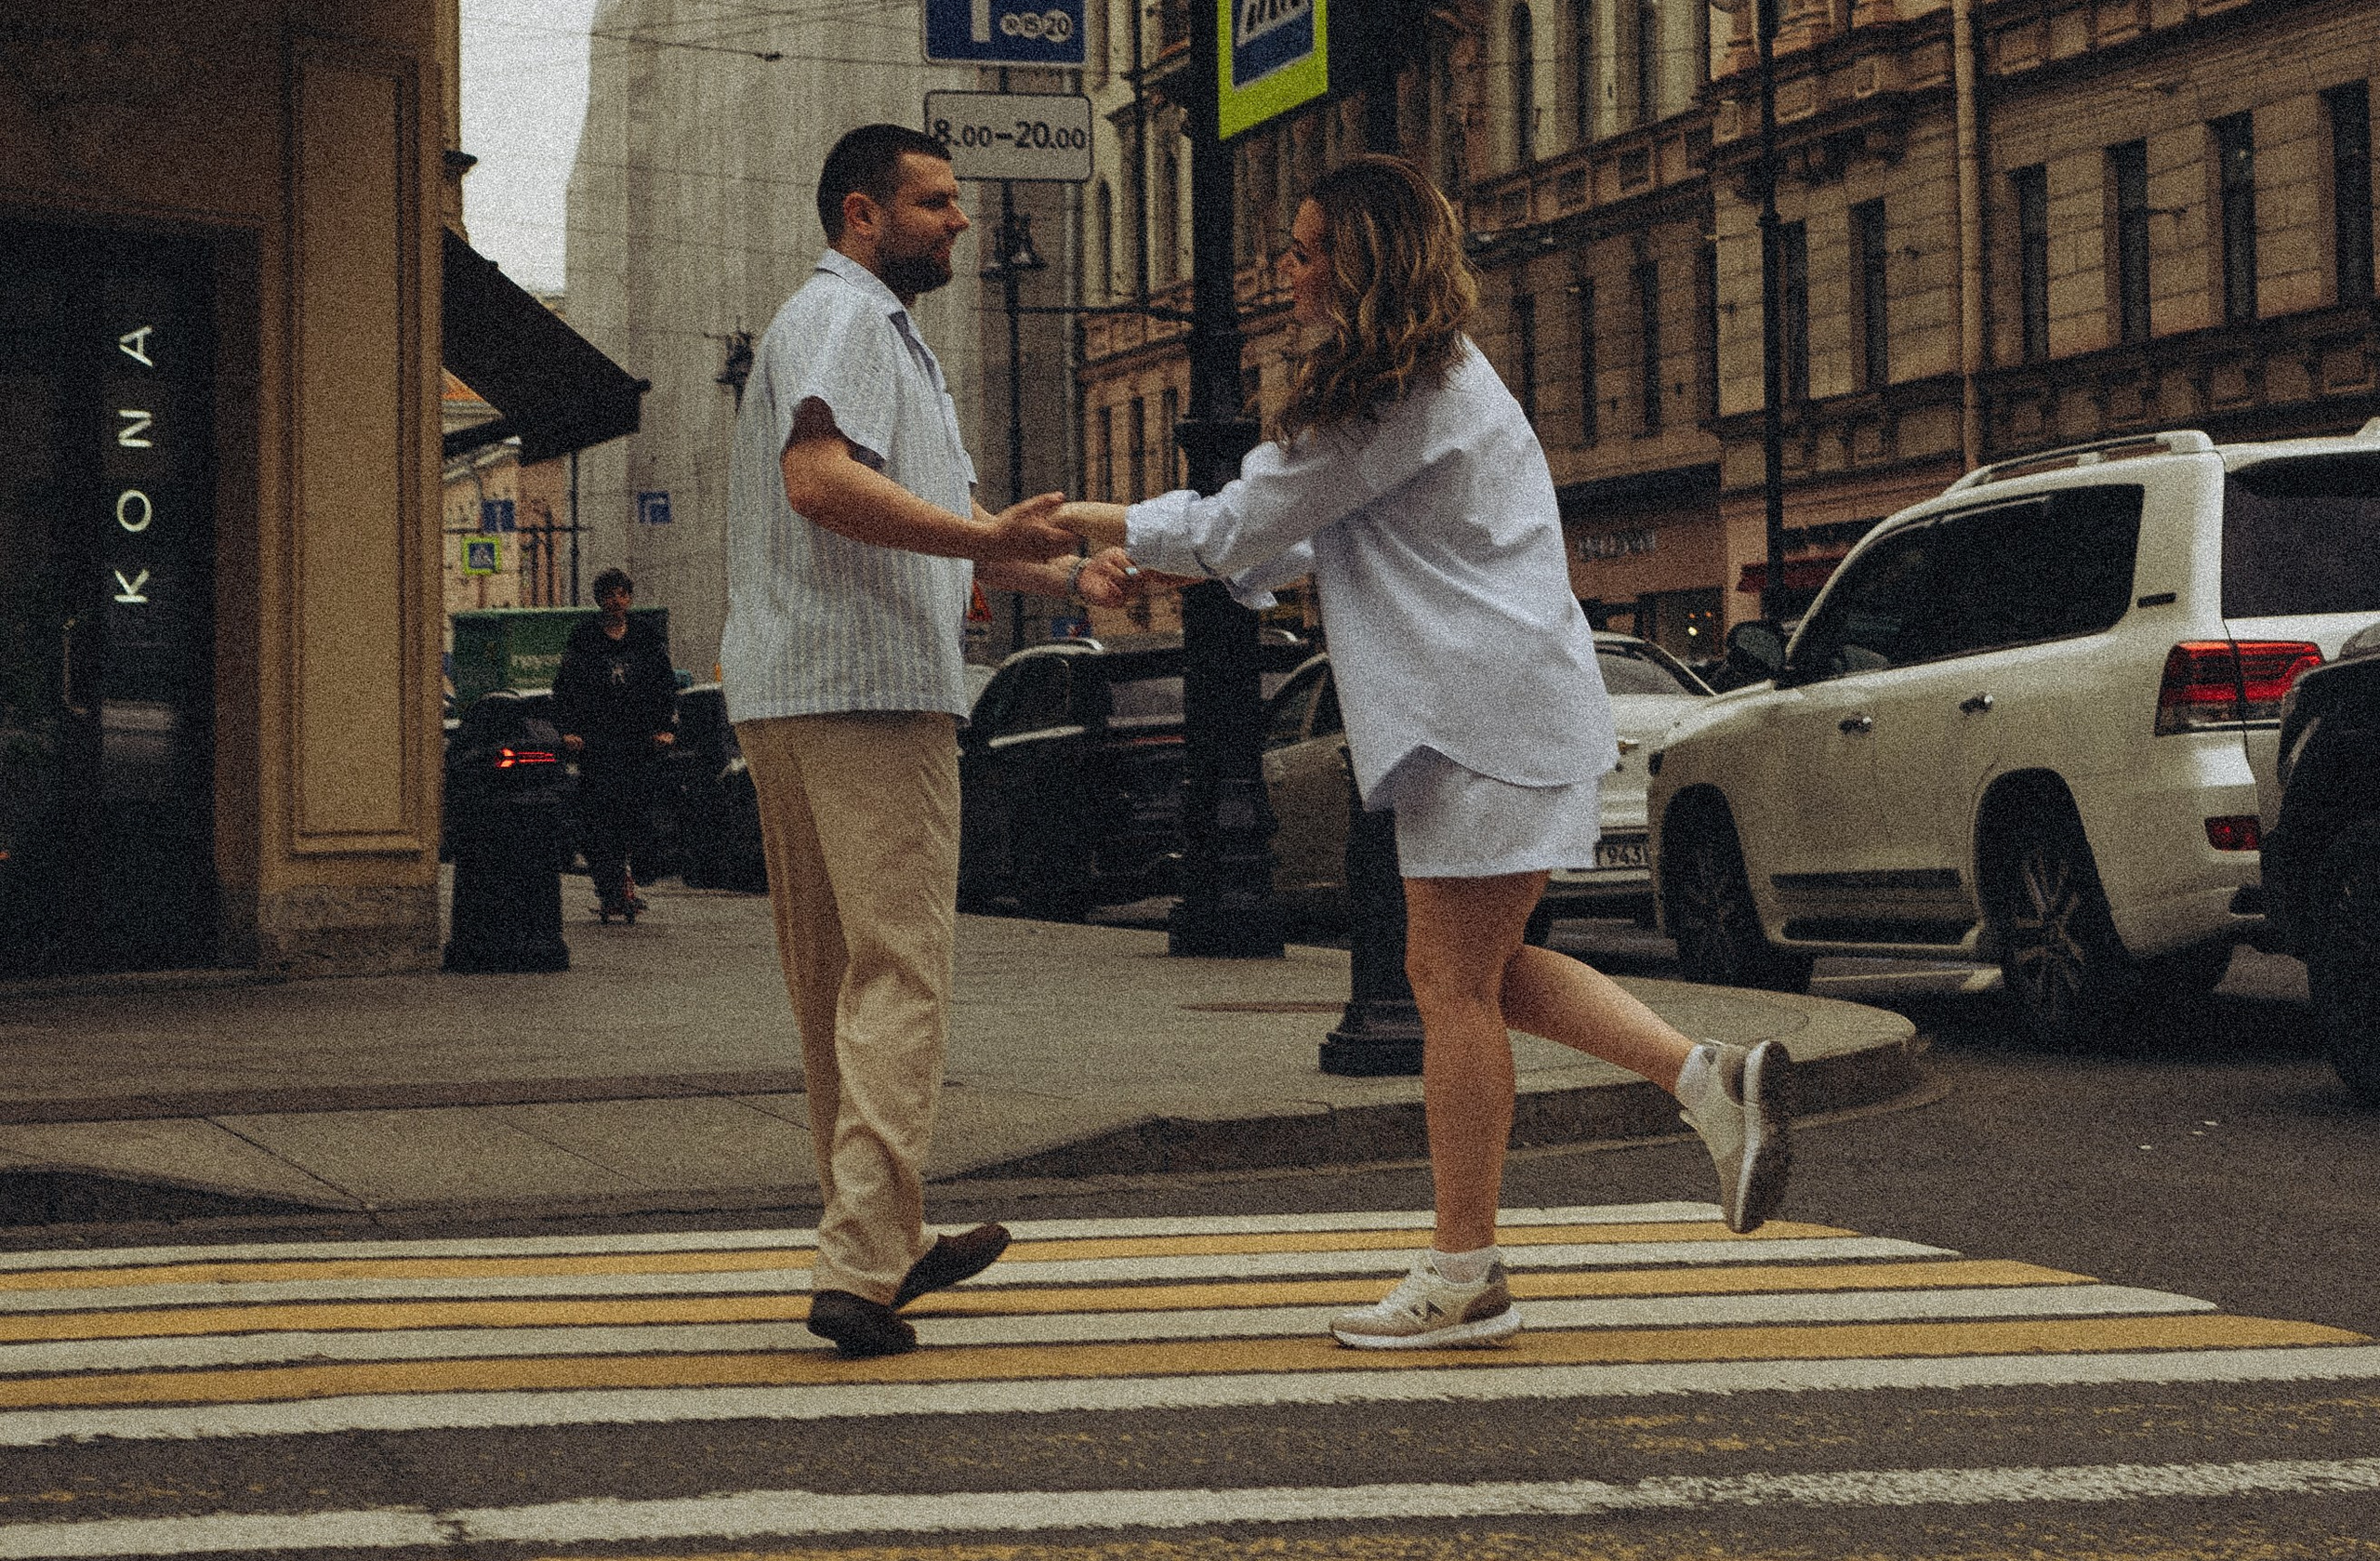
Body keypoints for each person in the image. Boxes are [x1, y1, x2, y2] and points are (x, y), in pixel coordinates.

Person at [1064, 152, 1792, 1352]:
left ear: (1358, 259)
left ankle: (1465, 1275)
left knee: (1447, 989)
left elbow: (1241, 525)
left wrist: (1082, 520)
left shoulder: (1386, 396)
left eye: (1304, 251)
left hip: (1478, 718)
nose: (1285, 273)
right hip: (1499, 713)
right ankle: (1705, 1084)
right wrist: (1155, 553)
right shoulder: (1424, 384)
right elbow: (1292, 542)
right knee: (1485, 971)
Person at [721, 124, 1095, 1360]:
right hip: (867, 691)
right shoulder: (852, 321)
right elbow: (822, 481)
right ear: (862, 215)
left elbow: (938, 516)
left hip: (792, 686)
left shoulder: (852, 329)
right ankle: (865, 1253)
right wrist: (987, 546)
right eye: (936, 202)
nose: (962, 221)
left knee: (840, 987)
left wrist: (1065, 568)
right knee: (899, 973)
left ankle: (882, 1233)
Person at [552, 570, 677, 925]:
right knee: (600, 820)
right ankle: (609, 890)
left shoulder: (645, 636)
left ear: (630, 599)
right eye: (609, 595)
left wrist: (665, 728)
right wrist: (569, 731)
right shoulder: (585, 637)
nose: (616, 601)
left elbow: (663, 685)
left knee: (638, 814)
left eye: (622, 594)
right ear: (599, 600)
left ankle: (634, 877)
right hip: (599, 743)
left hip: (638, 742)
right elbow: (566, 688)